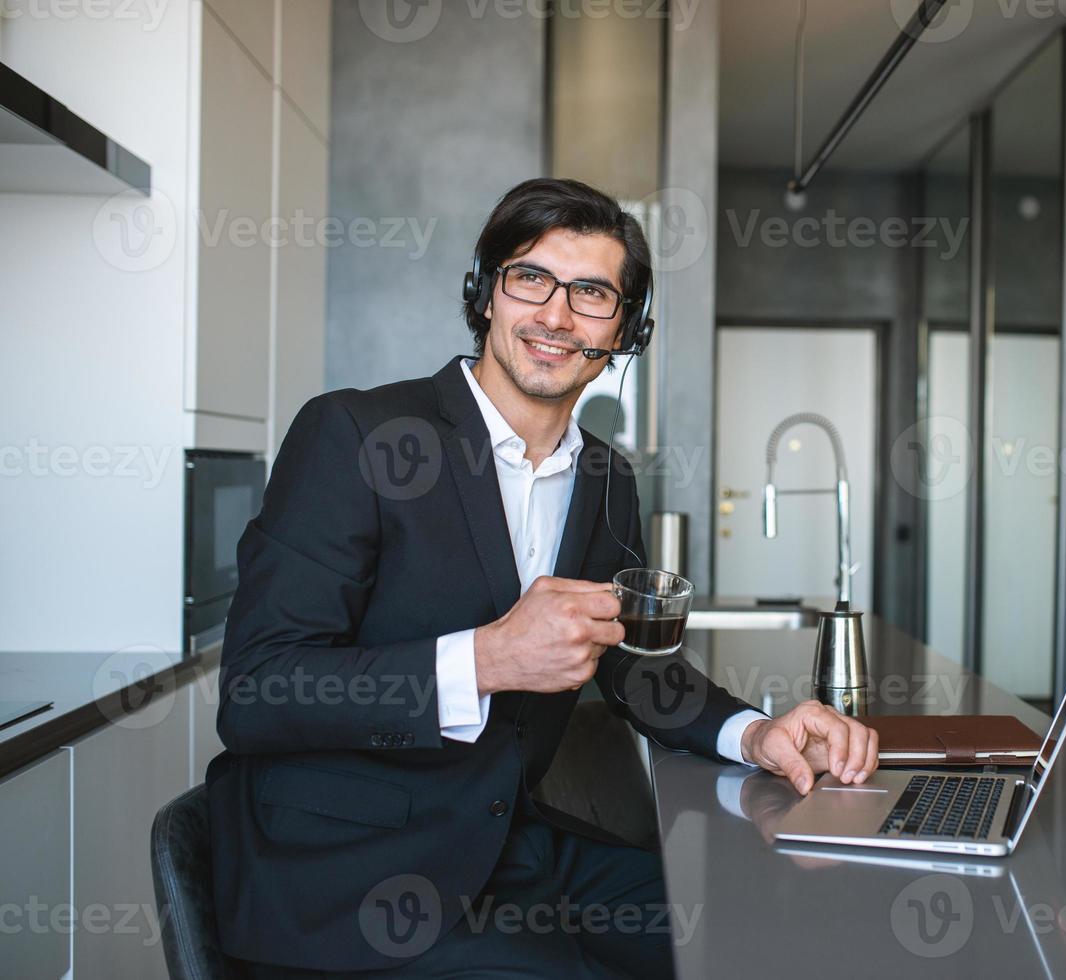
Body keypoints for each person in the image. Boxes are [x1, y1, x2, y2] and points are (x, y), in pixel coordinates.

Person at [207, 177, 878, 977]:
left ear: (624, 330)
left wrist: (755, 735)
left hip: (509, 848)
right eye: (530, 278)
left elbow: (631, 665)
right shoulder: (356, 435)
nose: (556, 315)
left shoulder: (604, 477)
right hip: (348, 876)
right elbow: (257, 690)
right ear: (485, 294)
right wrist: (489, 658)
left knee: (746, 934)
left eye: (591, 293)